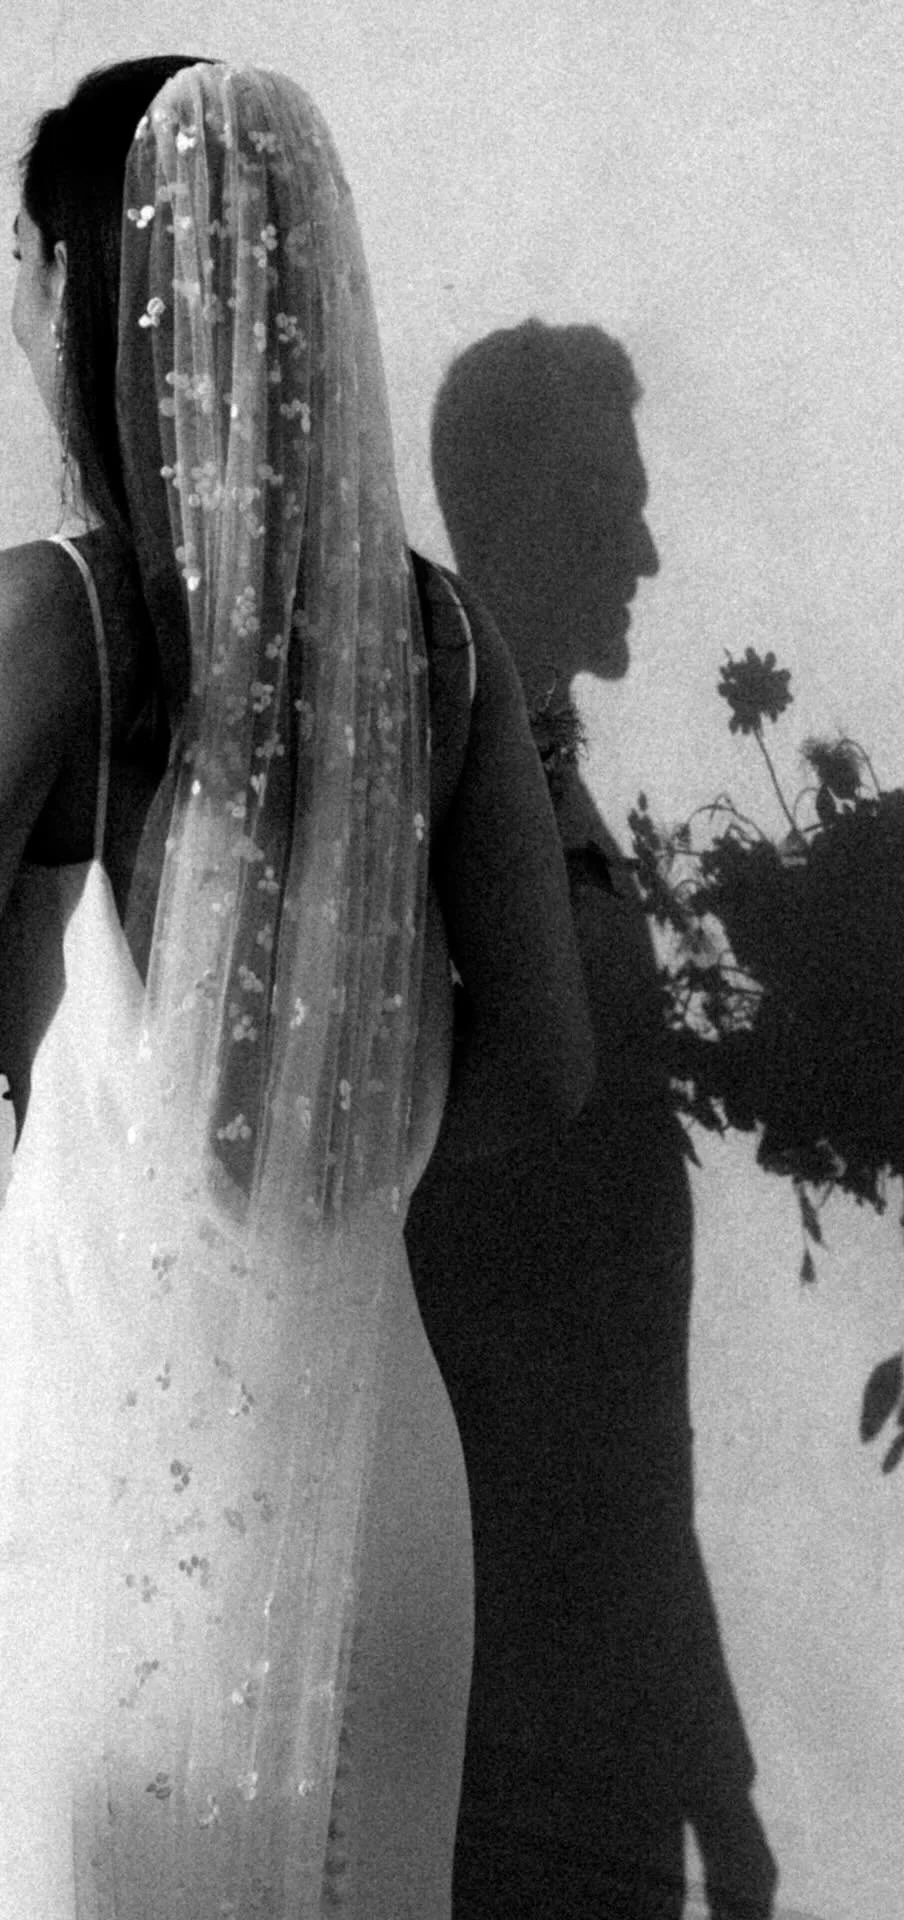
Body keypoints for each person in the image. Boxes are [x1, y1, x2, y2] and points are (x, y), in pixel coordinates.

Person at [0, 59, 590, 1919]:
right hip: (377, 1510)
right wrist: (329, 1186)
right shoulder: (444, 645)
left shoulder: (62, 620)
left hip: (115, 1507)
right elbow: (546, 1069)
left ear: (93, 287)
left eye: (21, 259)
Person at [412, 321, 777, 1918]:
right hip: (494, 1628)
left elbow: (637, 1336)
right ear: (493, 498)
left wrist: (709, 1747)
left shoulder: (543, 769)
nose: (642, 543)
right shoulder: (435, 774)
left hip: (606, 1635)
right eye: (600, 494)